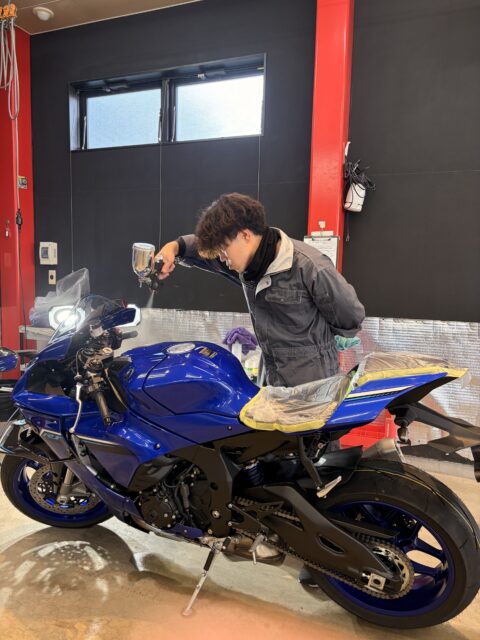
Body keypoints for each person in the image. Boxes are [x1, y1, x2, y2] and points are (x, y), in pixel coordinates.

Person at [156, 192, 365, 387]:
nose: (221, 258)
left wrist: (329, 341)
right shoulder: (245, 263)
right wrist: (174, 248)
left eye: (223, 250)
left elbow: (350, 313)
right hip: (272, 384)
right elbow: (197, 248)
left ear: (245, 235)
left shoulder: (310, 267)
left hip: (315, 388)